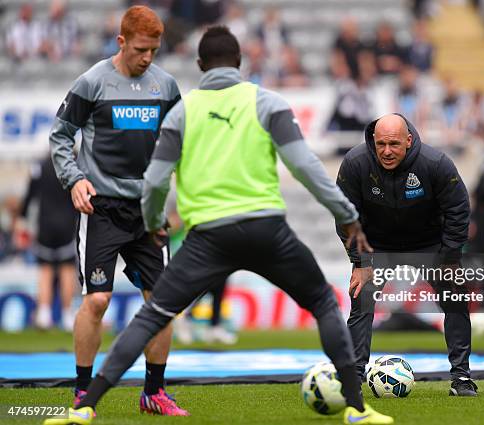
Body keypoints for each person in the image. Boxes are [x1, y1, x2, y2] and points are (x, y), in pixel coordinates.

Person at [44, 25, 393, 425]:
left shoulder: (182, 111)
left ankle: (86, 407)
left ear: (199, 65)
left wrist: (156, 221)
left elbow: (156, 180)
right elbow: (306, 167)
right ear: (241, 63)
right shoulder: (267, 101)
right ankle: (357, 409)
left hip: (208, 237)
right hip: (267, 231)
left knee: (152, 315)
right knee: (325, 306)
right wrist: (347, 214)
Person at [47, 6, 186, 416]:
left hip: (148, 211)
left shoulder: (166, 86)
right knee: (97, 301)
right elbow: (60, 136)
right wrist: (74, 179)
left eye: (154, 51)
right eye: (141, 49)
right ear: (122, 42)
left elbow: (178, 143)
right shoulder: (92, 82)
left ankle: (154, 392)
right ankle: (83, 393)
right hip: (102, 208)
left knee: (161, 303)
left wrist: (173, 200)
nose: (148, 58)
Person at [335, 113, 477, 396]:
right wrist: (359, 262)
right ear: (374, 142)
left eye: (394, 144)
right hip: (376, 246)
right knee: (360, 298)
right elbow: (344, 214)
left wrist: (449, 259)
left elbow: (458, 210)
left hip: (428, 244)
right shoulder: (355, 164)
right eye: (381, 144)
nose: (387, 151)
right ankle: (352, 380)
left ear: (409, 140)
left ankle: (461, 378)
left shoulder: (435, 164)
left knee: (455, 295)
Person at [16, 153, 78, 331]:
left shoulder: (40, 165)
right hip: (68, 223)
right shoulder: (74, 164)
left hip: (45, 224)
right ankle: (66, 315)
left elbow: (29, 195)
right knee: (67, 269)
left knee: (45, 270)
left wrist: (22, 218)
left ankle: (44, 314)